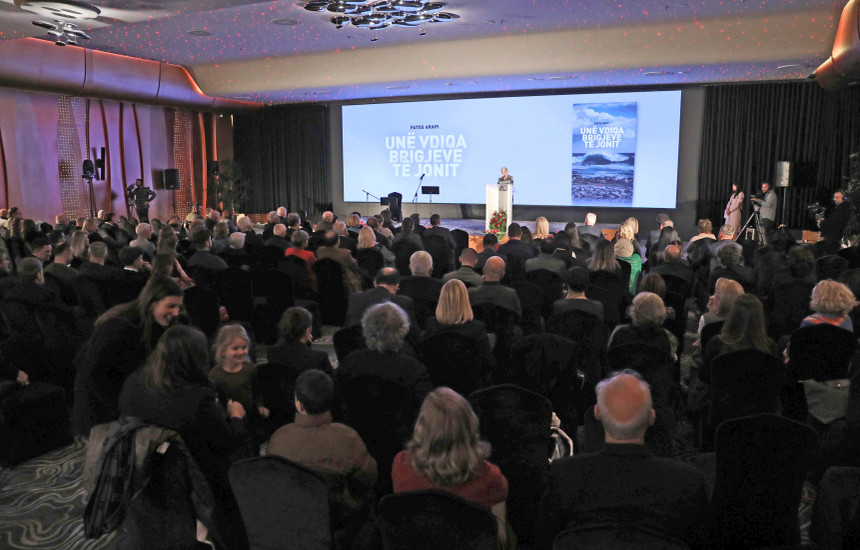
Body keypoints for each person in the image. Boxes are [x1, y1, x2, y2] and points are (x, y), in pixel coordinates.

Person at [537, 371, 710, 549]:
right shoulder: (689, 481)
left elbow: (544, 539)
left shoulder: (564, 474)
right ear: (651, 417)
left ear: (597, 413)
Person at [118, 325, 250, 549]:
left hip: (142, 471)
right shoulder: (197, 400)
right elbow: (227, 441)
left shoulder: (133, 382)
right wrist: (237, 417)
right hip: (194, 478)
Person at [392, 387, 513, 549]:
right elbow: (500, 541)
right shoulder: (490, 477)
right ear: (469, 425)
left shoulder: (400, 464)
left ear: (421, 427)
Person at [267, 370, 377, 545]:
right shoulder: (347, 436)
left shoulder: (278, 437)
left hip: (295, 522)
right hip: (339, 520)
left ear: (298, 404)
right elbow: (369, 478)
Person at [74, 276, 184, 436]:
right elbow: (94, 376)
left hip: (123, 395)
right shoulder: (117, 327)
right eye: (171, 306)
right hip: (99, 404)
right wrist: (125, 414)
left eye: (178, 307)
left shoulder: (156, 325)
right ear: (152, 304)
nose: (176, 312)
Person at [337, 302, 432, 403]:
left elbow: (338, 402)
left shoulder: (350, 362)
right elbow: (423, 410)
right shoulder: (414, 368)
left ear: (366, 327)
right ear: (403, 329)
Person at [422, 279, 495, 382]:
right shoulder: (477, 328)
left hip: (438, 384)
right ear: (465, 300)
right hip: (470, 385)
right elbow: (488, 362)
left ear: (442, 299)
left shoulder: (431, 325)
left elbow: (425, 359)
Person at [608, 292, 678, 359]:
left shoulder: (619, 331)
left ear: (634, 311)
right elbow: (670, 364)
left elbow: (609, 356)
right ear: (661, 313)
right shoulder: (668, 338)